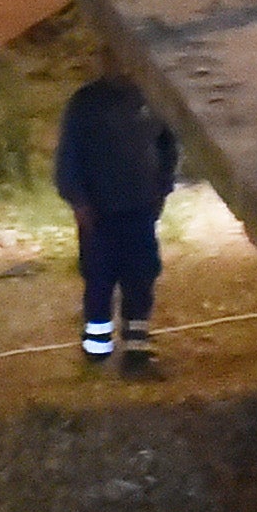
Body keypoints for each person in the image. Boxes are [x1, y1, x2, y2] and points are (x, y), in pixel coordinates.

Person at [54, 61, 179, 376]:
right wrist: (79, 202)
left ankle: (137, 351)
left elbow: (167, 147)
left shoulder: (152, 99)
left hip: (139, 209)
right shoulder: (86, 104)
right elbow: (68, 158)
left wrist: (161, 189)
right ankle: (97, 349)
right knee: (99, 280)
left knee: (141, 278)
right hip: (100, 213)